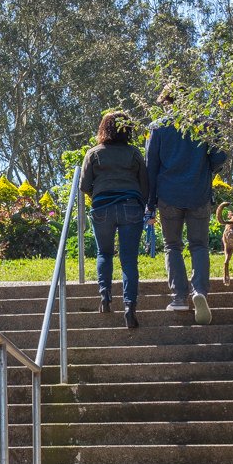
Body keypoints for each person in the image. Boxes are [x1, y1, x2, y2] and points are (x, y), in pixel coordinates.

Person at [143, 90, 229, 323]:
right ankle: (199, 291)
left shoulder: (157, 128)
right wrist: (206, 170)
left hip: (169, 196)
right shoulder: (206, 125)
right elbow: (220, 157)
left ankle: (179, 297)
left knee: (173, 246)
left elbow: (150, 167)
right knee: (199, 246)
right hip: (199, 195)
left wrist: (149, 204)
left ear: (165, 103)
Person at [81, 110, 151, 329]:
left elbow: (84, 186)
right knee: (129, 259)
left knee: (104, 253)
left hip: (102, 207)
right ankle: (129, 307)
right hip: (131, 206)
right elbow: (145, 184)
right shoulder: (133, 153)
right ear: (127, 129)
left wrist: (99, 195)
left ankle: (105, 297)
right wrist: (142, 204)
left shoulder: (93, 153)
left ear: (104, 129)